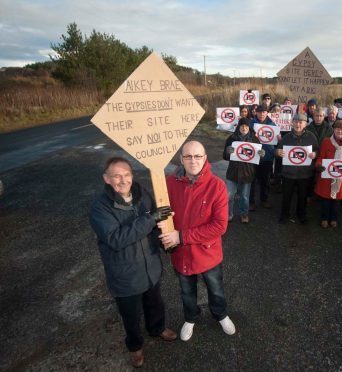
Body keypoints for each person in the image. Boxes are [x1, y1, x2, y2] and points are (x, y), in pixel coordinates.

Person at [89, 157, 177, 368]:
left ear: (132, 175)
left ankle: (157, 329)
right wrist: (150, 219)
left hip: (150, 266)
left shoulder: (142, 194)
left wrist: (164, 238)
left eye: (127, 174)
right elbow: (115, 239)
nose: (123, 180)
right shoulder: (100, 208)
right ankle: (135, 346)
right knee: (131, 315)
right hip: (125, 274)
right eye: (116, 176)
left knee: (155, 303)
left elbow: (156, 223)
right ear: (106, 179)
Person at [158, 141, 236, 342]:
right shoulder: (168, 183)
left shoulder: (217, 186)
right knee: (186, 291)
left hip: (208, 253)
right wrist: (162, 229)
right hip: (181, 253)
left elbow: (219, 226)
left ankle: (220, 314)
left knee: (215, 288)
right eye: (188, 156)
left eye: (198, 156)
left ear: (205, 158)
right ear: (181, 159)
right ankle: (191, 318)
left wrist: (181, 236)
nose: (193, 160)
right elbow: (162, 214)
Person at [276, 113, 319, 224]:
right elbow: (278, 150)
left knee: (303, 197)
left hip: (305, 173)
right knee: (286, 196)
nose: (298, 124)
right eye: (295, 121)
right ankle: (284, 215)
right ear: (292, 123)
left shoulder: (311, 136)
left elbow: (317, 150)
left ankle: (302, 215)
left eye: (300, 122)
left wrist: (315, 154)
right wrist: (278, 152)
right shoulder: (286, 137)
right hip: (288, 173)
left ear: (305, 124)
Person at [314, 120, 342, 228]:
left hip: (341, 177)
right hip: (327, 176)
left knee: (337, 201)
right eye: (337, 129)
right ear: (334, 129)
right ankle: (324, 218)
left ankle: (333, 218)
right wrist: (319, 165)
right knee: (326, 200)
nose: (340, 131)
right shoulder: (326, 141)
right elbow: (320, 158)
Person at [223, 118, 263, 224]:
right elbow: (225, 156)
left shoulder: (255, 139)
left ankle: (244, 214)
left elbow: (258, 159)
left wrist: (261, 154)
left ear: (249, 128)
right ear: (238, 127)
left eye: (246, 126)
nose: (244, 128)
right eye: (242, 126)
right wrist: (228, 152)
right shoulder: (231, 138)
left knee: (245, 196)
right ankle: (228, 214)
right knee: (229, 195)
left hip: (247, 172)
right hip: (233, 171)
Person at [250, 104, 278, 209]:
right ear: (256, 113)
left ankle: (264, 199)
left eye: (264, 112)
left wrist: (278, 138)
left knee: (265, 180)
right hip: (253, 157)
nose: (262, 114)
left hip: (267, 156)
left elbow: (276, 143)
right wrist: (253, 137)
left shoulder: (273, 124)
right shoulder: (251, 124)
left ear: (267, 113)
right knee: (252, 180)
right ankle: (251, 202)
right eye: (260, 112)